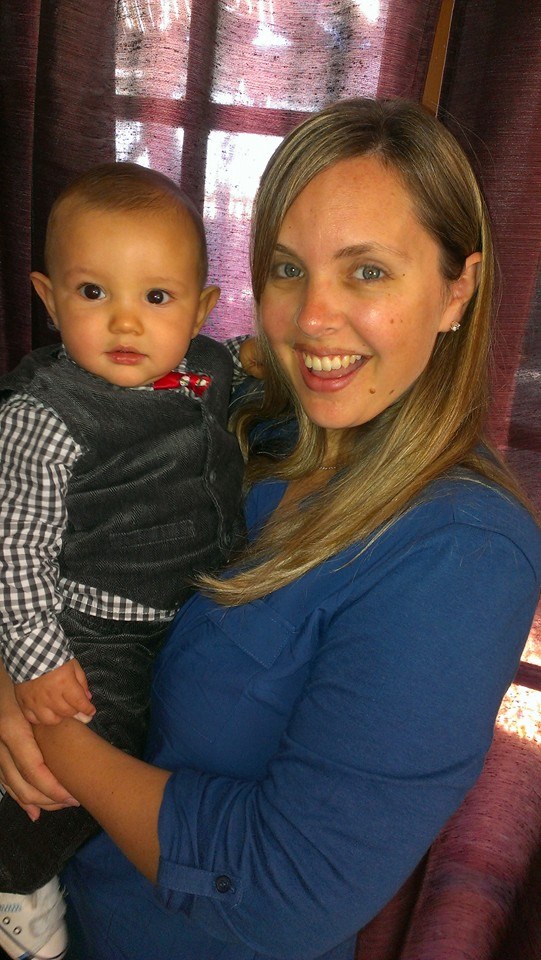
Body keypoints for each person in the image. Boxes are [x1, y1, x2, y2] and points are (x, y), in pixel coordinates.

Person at [0, 97, 540, 960]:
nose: (311, 318)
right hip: (68, 904)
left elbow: (281, 890)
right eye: (287, 269)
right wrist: (11, 669)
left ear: (456, 290)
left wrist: (53, 736)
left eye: (367, 271)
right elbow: (29, 522)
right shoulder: (243, 426)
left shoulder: (462, 555)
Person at [0, 163, 245, 959]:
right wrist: (36, 658)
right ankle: (15, 877)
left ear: (201, 309)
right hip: (85, 628)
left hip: (176, 618)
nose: (126, 322)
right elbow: (16, 547)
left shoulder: (206, 367)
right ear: (49, 300)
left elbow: (249, 364)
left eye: (157, 296)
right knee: (71, 764)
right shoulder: (44, 415)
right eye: (93, 292)